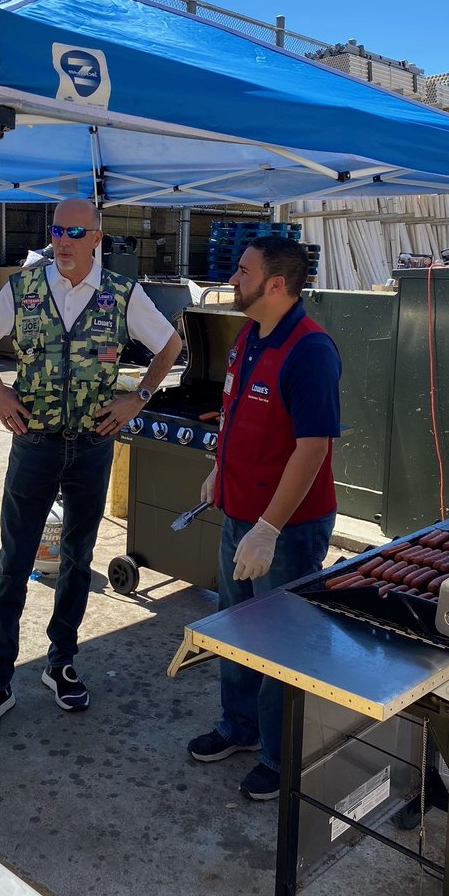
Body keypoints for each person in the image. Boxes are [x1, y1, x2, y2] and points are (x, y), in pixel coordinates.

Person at [0, 198, 182, 735]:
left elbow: (170, 345)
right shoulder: (25, 289)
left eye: (74, 232)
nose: (62, 241)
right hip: (35, 442)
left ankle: (60, 660)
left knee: (77, 558)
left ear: (97, 237)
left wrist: (137, 397)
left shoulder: (122, 294)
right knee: (14, 561)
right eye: (56, 231)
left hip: (92, 445)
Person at [187, 235, 341, 800]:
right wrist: (220, 471)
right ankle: (240, 727)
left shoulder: (311, 350)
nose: (233, 279)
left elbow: (312, 450)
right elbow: (239, 411)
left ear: (276, 285)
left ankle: (281, 757)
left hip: (289, 531)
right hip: (239, 514)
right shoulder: (251, 334)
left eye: (244, 272)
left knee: (281, 642)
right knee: (237, 627)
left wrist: (270, 529)